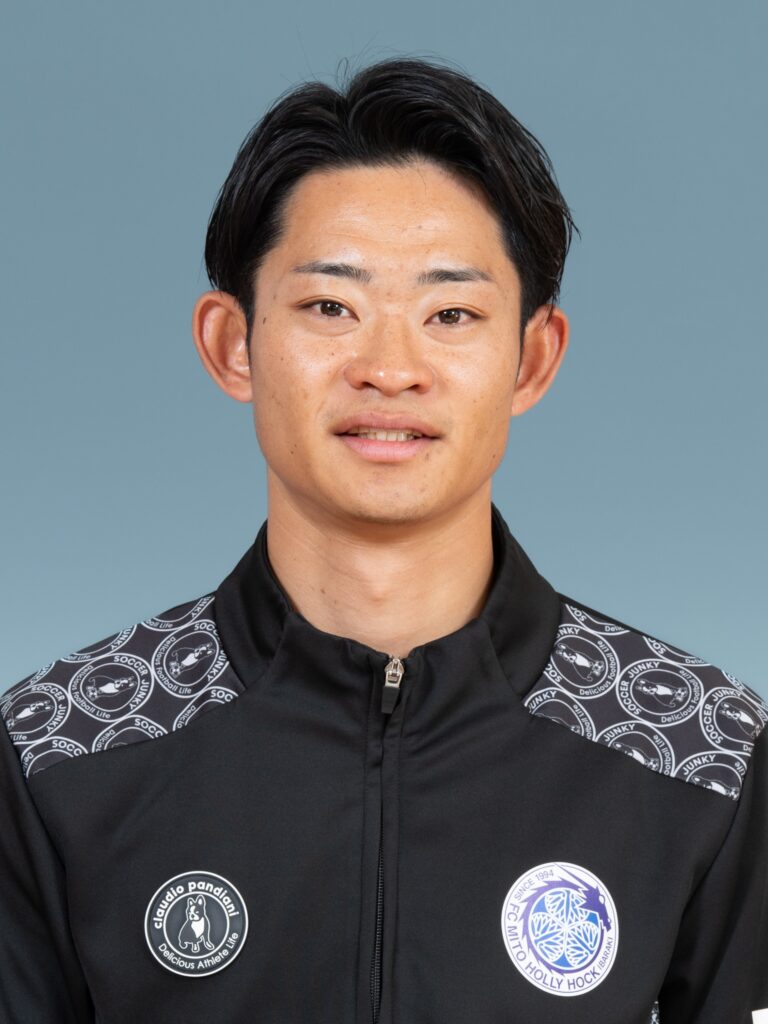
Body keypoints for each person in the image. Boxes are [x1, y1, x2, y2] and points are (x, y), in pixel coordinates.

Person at [0, 55, 765, 1024]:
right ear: (232, 344)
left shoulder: (702, 753)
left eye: (451, 314)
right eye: (331, 307)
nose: (390, 369)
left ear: (531, 359)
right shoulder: (58, 752)